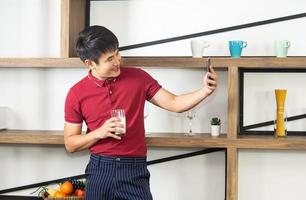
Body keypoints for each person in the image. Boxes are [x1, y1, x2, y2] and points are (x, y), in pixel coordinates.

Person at [64, 25, 218, 200]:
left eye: (117, 53)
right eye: (109, 59)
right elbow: (70, 144)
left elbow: (175, 103)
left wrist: (205, 90)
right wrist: (100, 132)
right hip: (100, 170)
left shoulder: (139, 78)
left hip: (134, 169)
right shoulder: (76, 93)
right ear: (90, 63)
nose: (117, 61)